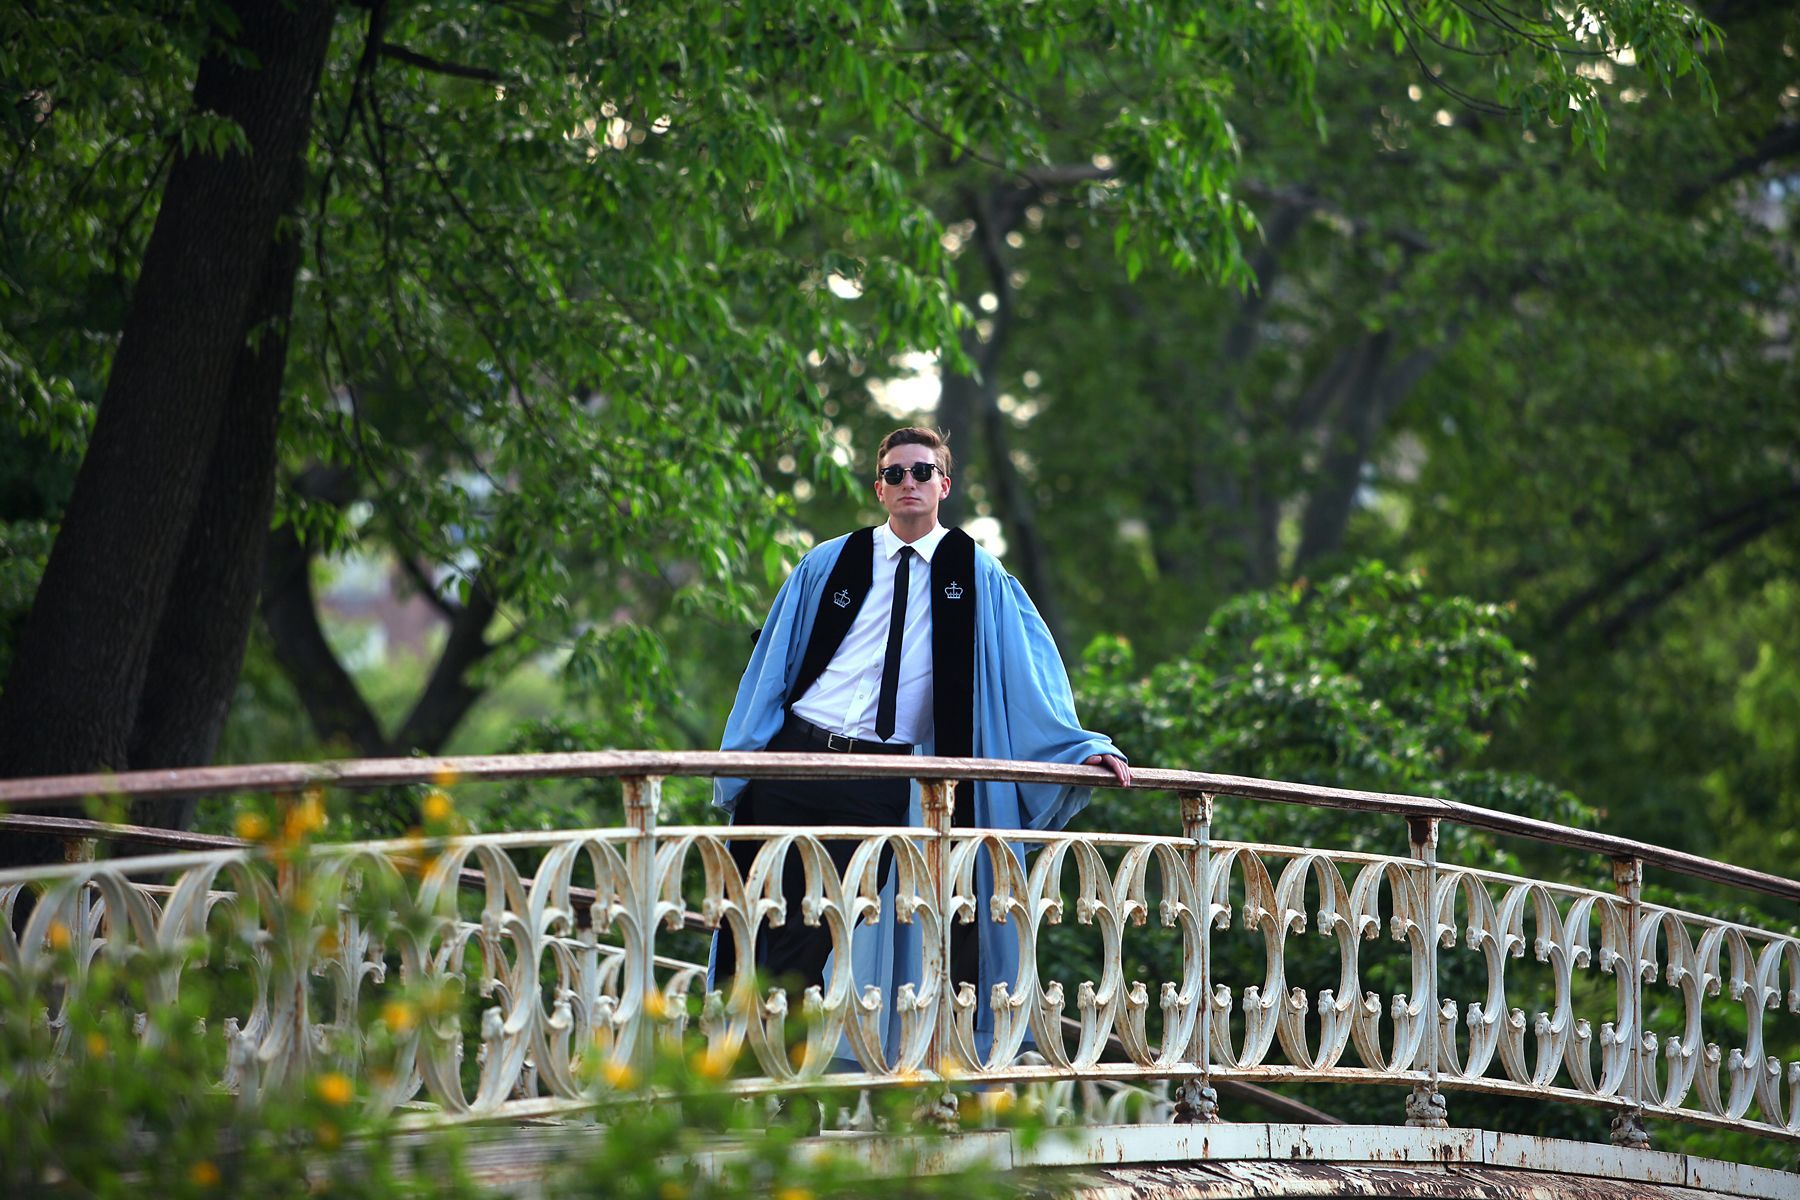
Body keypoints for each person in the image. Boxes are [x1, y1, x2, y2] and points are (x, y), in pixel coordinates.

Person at [709, 426, 1129, 1059]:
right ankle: (743, 1061)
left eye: (923, 472)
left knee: (828, 927)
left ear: (945, 486)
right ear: (880, 487)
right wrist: (746, 751)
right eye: (897, 473)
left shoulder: (977, 577)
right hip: (793, 759)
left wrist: (1078, 747)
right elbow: (773, 662)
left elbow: (1026, 676)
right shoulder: (831, 562)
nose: (910, 483)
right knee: (760, 913)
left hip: (878, 779)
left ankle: (793, 1076)